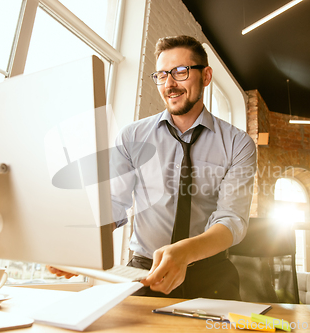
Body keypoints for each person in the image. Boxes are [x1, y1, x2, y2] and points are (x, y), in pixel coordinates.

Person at [50, 35, 256, 300]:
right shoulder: (132, 137)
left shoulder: (238, 144)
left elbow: (231, 220)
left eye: (180, 72)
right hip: (145, 272)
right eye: (161, 75)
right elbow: (114, 202)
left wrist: (185, 252)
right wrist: (84, 242)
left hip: (210, 274)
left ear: (205, 76)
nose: (169, 84)